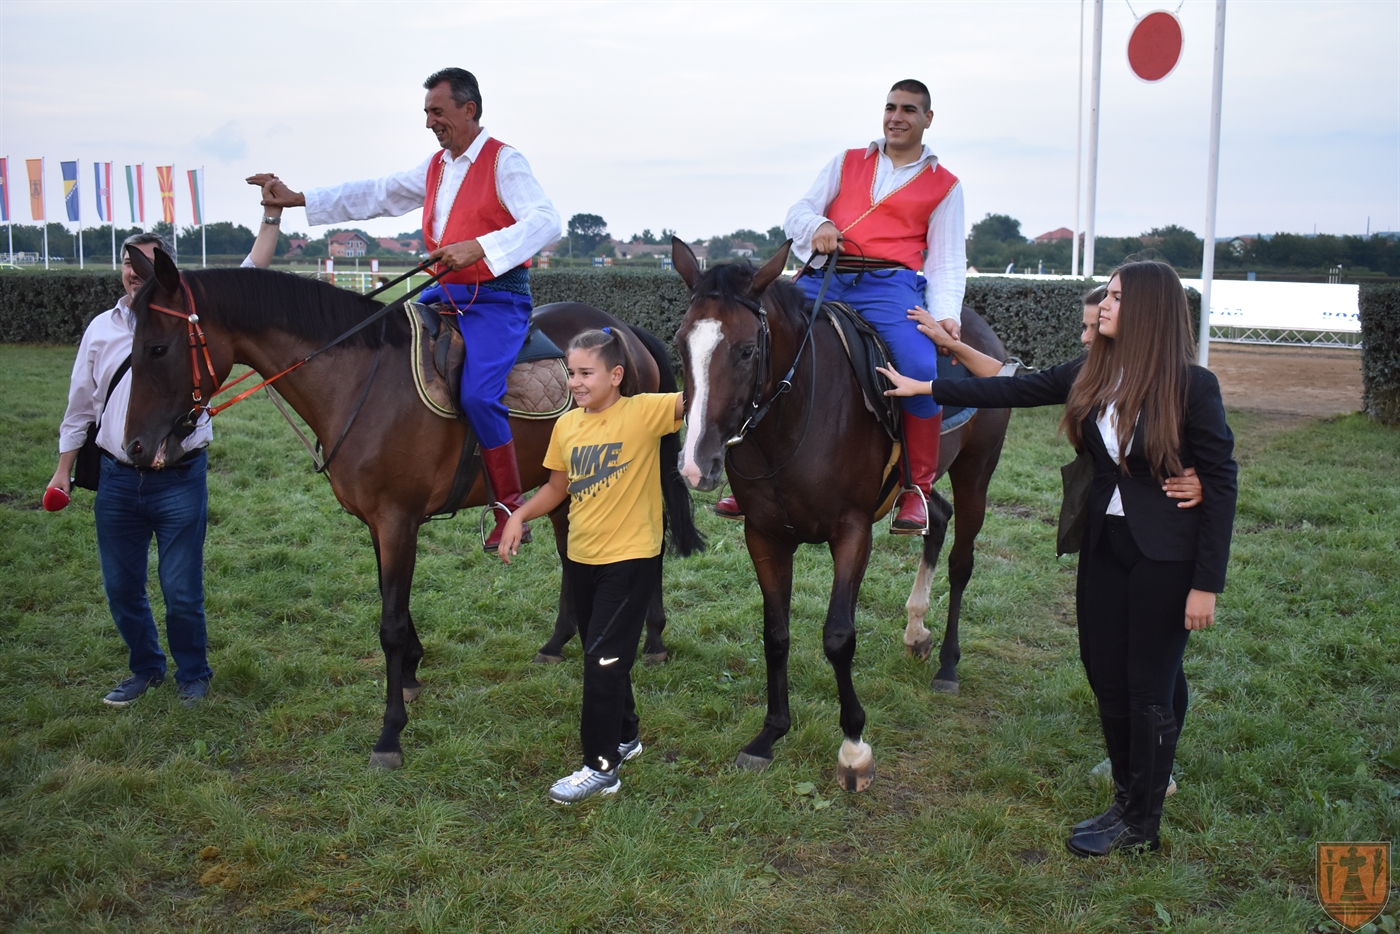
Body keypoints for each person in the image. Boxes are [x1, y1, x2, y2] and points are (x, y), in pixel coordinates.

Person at [880, 261, 1238, 857]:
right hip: (1104, 544)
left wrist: (1207, 584)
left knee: (1148, 685)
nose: (1105, 306)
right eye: (1108, 296)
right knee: (1103, 672)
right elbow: (1013, 389)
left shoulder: (1193, 387)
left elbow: (1221, 482)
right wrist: (928, 389)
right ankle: (1124, 799)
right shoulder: (1093, 373)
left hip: (1167, 557)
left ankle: (1141, 824)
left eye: (1117, 297)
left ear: (1148, 310)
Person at [253, 67, 562, 551]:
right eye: (426, 113)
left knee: (480, 395)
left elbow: (547, 221)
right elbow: (378, 193)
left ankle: (508, 506)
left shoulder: (505, 162)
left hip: (497, 301)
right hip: (442, 296)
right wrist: (301, 200)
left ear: (469, 109)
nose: (429, 123)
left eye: (437, 112)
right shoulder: (437, 165)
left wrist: (479, 247)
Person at [712, 78, 966, 534]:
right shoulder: (846, 161)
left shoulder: (945, 185)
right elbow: (798, 212)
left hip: (890, 285)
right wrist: (820, 226)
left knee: (918, 367)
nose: (896, 117)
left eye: (909, 110)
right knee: (764, 343)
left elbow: (947, 259)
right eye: (890, 107)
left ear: (928, 118)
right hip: (824, 275)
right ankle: (745, 479)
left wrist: (947, 315)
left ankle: (917, 489)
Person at [497, 328, 685, 803]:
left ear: (616, 375)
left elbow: (709, 399)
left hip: (631, 559)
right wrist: (518, 515)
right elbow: (557, 488)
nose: (575, 382)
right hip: (581, 559)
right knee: (601, 652)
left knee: (602, 661)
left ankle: (601, 768)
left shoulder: (645, 412)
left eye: (586, 373)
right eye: (571, 372)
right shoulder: (567, 426)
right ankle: (626, 736)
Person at [49, 233, 215, 708]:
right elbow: (81, 406)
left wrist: (270, 220)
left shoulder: (192, 323)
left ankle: (193, 674)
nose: (133, 270)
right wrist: (62, 471)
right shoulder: (101, 329)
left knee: (180, 590)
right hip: (118, 479)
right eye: (127, 261)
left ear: (165, 270)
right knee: (121, 588)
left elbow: (249, 274)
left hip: (179, 480)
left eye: (144, 262)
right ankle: (146, 669)